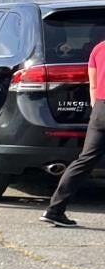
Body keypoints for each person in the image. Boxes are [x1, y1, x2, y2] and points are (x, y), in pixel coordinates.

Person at [41, 35, 104, 227]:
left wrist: (96, 109)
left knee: (85, 160)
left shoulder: (98, 48)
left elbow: (93, 85)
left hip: (100, 108)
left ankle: (55, 209)